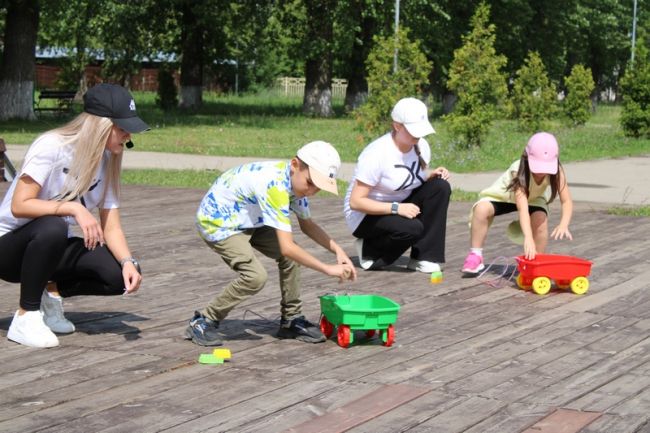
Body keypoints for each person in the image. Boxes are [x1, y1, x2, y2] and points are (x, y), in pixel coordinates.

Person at [0, 83, 148, 348]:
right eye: (123, 128)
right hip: (8, 248)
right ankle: (25, 316)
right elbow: (19, 206)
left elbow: (111, 227)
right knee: (53, 227)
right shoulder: (52, 145)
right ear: (100, 125)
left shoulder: (107, 160)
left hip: (49, 249)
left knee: (119, 276)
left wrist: (128, 261)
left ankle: (50, 291)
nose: (128, 135)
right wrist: (73, 208)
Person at [187, 140, 357, 346]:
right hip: (219, 223)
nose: (312, 191)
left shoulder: (296, 183)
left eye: (318, 188)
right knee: (255, 277)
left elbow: (307, 225)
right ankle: (204, 320)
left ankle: (291, 320)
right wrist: (328, 269)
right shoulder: (274, 186)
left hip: (251, 219)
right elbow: (287, 247)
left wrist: (337, 250)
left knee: (291, 259)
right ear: (295, 165)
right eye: (311, 183)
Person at [344, 97, 451, 273]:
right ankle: (369, 249)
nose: (417, 135)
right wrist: (396, 208)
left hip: (400, 203)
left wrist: (430, 178)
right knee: (412, 228)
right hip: (364, 214)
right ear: (397, 126)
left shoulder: (420, 145)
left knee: (440, 187)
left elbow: (405, 179)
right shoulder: (377, 154)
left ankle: (423, 257)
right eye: (412, 130)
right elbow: (356, 202)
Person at [461, 131, 574, 275]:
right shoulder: (518, 169)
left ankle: (537, 262)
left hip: (533, 199)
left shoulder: (557, 171)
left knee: (540, 217)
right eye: (537, 166)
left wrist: (564, 224)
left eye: (545, 168)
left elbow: (567, 201)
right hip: (504, 197)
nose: (541, 172)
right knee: (481, 209)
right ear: (527, 157)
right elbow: (522, 208)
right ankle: (475, 255)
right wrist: (527, 237)